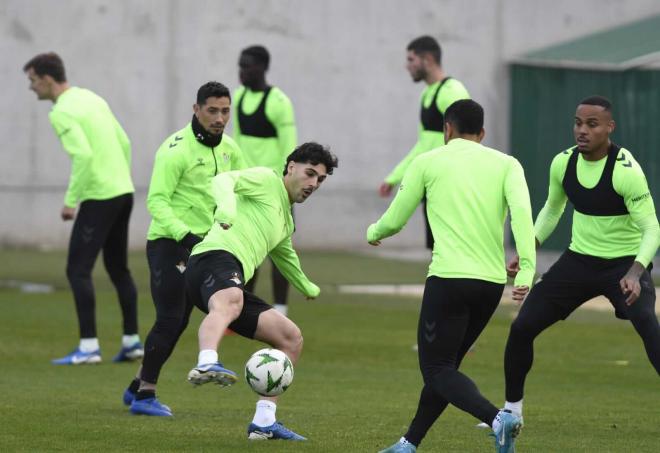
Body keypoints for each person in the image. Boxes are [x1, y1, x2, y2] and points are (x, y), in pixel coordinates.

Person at [368, 99, 535, 453]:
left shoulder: (428, 161)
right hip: (490, 285)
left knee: (437, 369)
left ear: (447, 129)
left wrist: (373, 231)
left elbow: (396, 219)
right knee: (447, 370)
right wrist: (527, 271)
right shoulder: (507, 164)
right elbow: (522, 216)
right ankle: (408, 443)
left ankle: (498, 419)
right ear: (483, 133)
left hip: (448, 280)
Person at [503, 96, 660, 423]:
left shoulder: (625, 171)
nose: (582, 130)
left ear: (609, 128)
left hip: (624, 264)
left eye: (592, 124)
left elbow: (652, 229)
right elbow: (552, 209)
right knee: (522, 327)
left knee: (647, 324)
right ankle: (511, 412)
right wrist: (528, 248)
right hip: (578, 263)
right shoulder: (563, 163)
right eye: (578, 123)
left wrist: (635, 272)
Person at [184, 142, 338, 440]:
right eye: (309, 174)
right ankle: (206, 362)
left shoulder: (286, 219)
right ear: (290, 166)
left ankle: (264, 422)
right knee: (232, 299)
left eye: (320, 179)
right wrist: (226, 209)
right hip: (211, 258)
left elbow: (285, 256)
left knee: (291, 337)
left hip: (230, 277)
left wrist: (306, 285)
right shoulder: (266, 180)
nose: (313, 184)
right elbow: (223, 180)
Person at [122, 82, 246, 416]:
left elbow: (239, 189)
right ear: (196, 109)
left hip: (203, 247)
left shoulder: (230, 149)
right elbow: (156, 201)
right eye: (212, 111)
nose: (220, 118)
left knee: (179, 322)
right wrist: (185, 235)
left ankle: (136, 386)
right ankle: (145, 395)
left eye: (225, 111)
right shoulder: (175, 150)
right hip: (168, 244)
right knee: (170, 317)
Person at [24, 52, 141, 365]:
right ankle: (132, 342)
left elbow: (84, 157)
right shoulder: (90, 97)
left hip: (99, 196)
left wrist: (70, 200)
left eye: (33, 81)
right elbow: (125, 141)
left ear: (47, 80)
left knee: (77, 269)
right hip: (123, 191)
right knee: (118, 268)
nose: (31, 88)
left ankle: (88, 348)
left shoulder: (60, 112)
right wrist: (119, 178)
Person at [379, 35, 470, 250]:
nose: (406, 66)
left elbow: (469, 138)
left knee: (452, 248)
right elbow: (423, 145)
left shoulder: (452, 92)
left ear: (427, 59)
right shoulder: (426, 94)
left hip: (450, 185)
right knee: (437, 249)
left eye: (411, 60)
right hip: (432, 184)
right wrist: (394, 177)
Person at [233, 45, 297, 316]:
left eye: (247, 66)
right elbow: (236, 144)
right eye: (240, 65)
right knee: (247, 251)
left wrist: (286, 190)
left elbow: (290, 150)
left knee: (279, 252)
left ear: (262, 67)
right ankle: (243, 309)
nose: (242, 71)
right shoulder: (237, 97)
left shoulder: (279, 102)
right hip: (246, 190)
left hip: (274, 191)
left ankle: (280, 312)